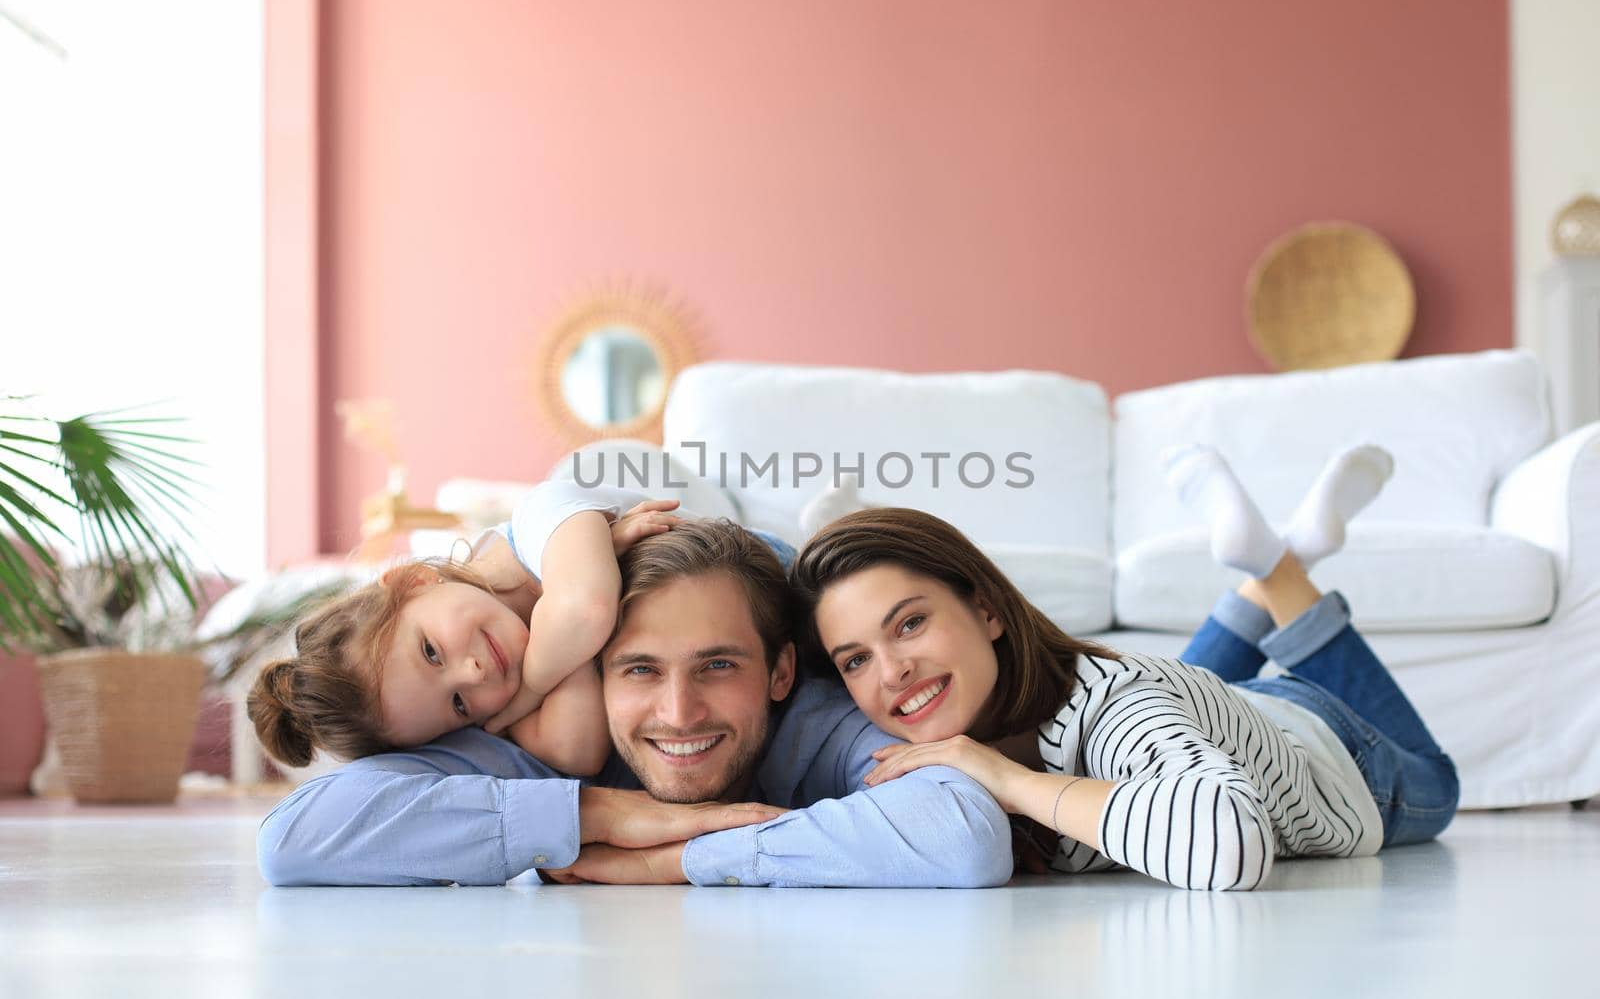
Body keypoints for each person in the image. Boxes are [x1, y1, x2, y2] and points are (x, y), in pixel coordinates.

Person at [790, 444, 1460, 891]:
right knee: (1174, 695)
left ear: (988, 610)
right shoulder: (881, 728)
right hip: (1204, 712)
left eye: (910, 623)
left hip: (1334, 752)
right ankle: (1275, 562)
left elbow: (1230, 840)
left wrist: (1004, 776)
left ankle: (1281, 572)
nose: (892, 672)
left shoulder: (1109, 705)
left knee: (1442, 781)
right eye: (855, 657)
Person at [255, 506, 1012, 889]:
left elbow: (963, 833)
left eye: (717, 665)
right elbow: (294, 838)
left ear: (780, 673)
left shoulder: (809, 716)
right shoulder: (527, 736)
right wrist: (604, 814)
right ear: (587, 666)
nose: (680, 713)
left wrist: (683, 856)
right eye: (639, 670)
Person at [246, 486, 693, 778]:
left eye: (431, 652)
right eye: (458, 705)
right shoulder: (509, 674)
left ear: (414, 582)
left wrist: (533, 688)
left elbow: (587, 609)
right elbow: (576, 753)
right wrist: (560, 640)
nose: (474, 673)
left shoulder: (540, 519)